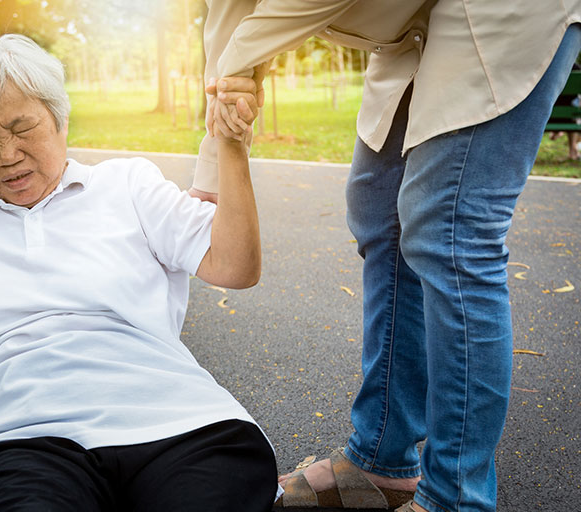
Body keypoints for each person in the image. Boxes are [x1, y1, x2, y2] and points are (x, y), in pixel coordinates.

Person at [0, 34, 279, 512]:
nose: (7, 154)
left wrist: (232, 147)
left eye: (22, 127)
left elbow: (236, 266)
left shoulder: (128, 184)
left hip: (178, 424)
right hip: (21, 442)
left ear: (60, 119)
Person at [193, 1, 581, 511]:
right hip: (413, 19)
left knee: (450, 228)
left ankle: (455, 496)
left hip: (500, 10)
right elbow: (228, 9)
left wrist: (243, 61)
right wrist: (214, 152)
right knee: (380, 209)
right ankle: (382, 459)